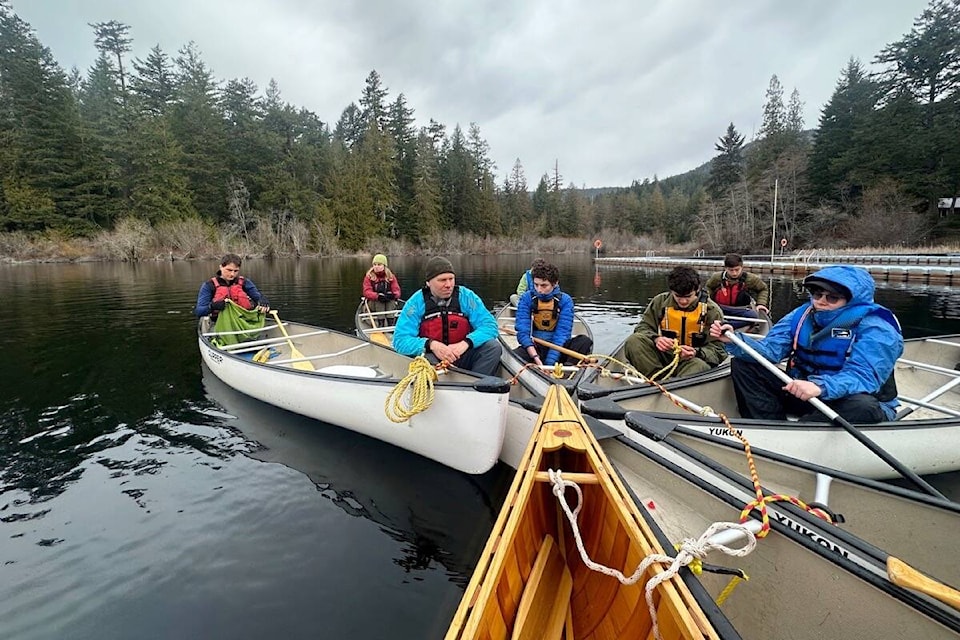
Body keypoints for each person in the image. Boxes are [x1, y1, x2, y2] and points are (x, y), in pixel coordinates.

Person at [709, 265, 903, 424]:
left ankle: (802, 432)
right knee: (743, 365)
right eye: (817, 294)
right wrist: (736, 341)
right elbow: (770, 350)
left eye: (832, 297)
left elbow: (864, 376)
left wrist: (820, 387)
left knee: (863, 407)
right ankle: (770, 426)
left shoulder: (878, 327)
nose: (821, 301)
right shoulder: (801, 315)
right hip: (805, 392)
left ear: (853, 301)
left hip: (849, 398)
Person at [393, 256, 503, 376]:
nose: (448, 285)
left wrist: (466, 343)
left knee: (493, 347)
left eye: (451, 279)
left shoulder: (466, 297)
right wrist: (431, 345)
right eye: (442, 280)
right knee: (425, 361)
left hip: (461, 353)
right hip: (432, 356)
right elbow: (400, 340)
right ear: (428, 283)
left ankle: (477, 383)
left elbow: (490, 326)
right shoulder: (415, 303)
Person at [623, 266, 727, 379]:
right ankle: (658, 379)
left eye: (688, 296)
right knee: (634, 341)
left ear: (697, 290)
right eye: (677, 296)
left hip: (693, 360)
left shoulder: (712, 311)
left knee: (698, 366)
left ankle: (674, 386)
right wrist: (656, 338)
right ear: (671, 291)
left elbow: (719, 350)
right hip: (666, 356)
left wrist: (696, 352)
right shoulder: (660, 302)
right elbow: (643, 327)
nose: (683, 301)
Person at [513, 262, 594, 366]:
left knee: (584, 341)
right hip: (536, 348)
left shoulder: (565, 301)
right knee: (515, 355)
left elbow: (562, 335)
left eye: (544, 285)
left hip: (559, 348)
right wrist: (536, 358)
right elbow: (523, 332)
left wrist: (550, 364)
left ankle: (566, 371)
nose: (539, 290)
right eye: (536, 285)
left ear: (555, 283)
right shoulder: (526, 298)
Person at [194, 253, 270, 320]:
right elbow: (199, 311)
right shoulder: (209, 286)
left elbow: (257, 297)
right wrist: (212, 306)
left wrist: (263, 300)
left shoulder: (245, 282)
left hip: (243, 320)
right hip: (219, 322)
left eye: (235, 271)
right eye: (229, 270)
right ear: (221, 267)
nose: (232, 274)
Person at [704, 253, 769, 327]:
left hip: (741, 309)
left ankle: (726, 325)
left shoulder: (750, 279)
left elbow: (763, 289)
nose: (734, 273)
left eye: (737, 270)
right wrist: (708, 301)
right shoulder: (717, 278)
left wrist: (761, 304)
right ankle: (726, 324)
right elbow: (708, 287)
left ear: (742, 267)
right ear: (726, 268)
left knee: (753, 316)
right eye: (731, 270)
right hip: (721, 307)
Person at [361, 253, 402, 325]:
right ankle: (381, 323)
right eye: (374, 264)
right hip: (373, 304)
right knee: (379, 301)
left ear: (384, 266)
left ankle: (390, 323)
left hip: (387, 302)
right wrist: (377, 296)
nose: (376, 267)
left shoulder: (391, 277)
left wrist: (393, 295)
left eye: (379, 264)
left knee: (391, 301)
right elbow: (366, 292)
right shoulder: (369, 277)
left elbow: (397, 291)